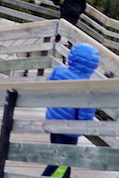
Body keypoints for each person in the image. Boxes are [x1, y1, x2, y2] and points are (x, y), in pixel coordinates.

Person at [40, 42, 100, 177]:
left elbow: (47, 89)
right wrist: (85, 126)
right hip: (71, 129)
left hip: (53, 123)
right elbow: (86, 112)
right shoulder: (87, 85)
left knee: (61, 156)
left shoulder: (58, 72)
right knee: (63, 160)